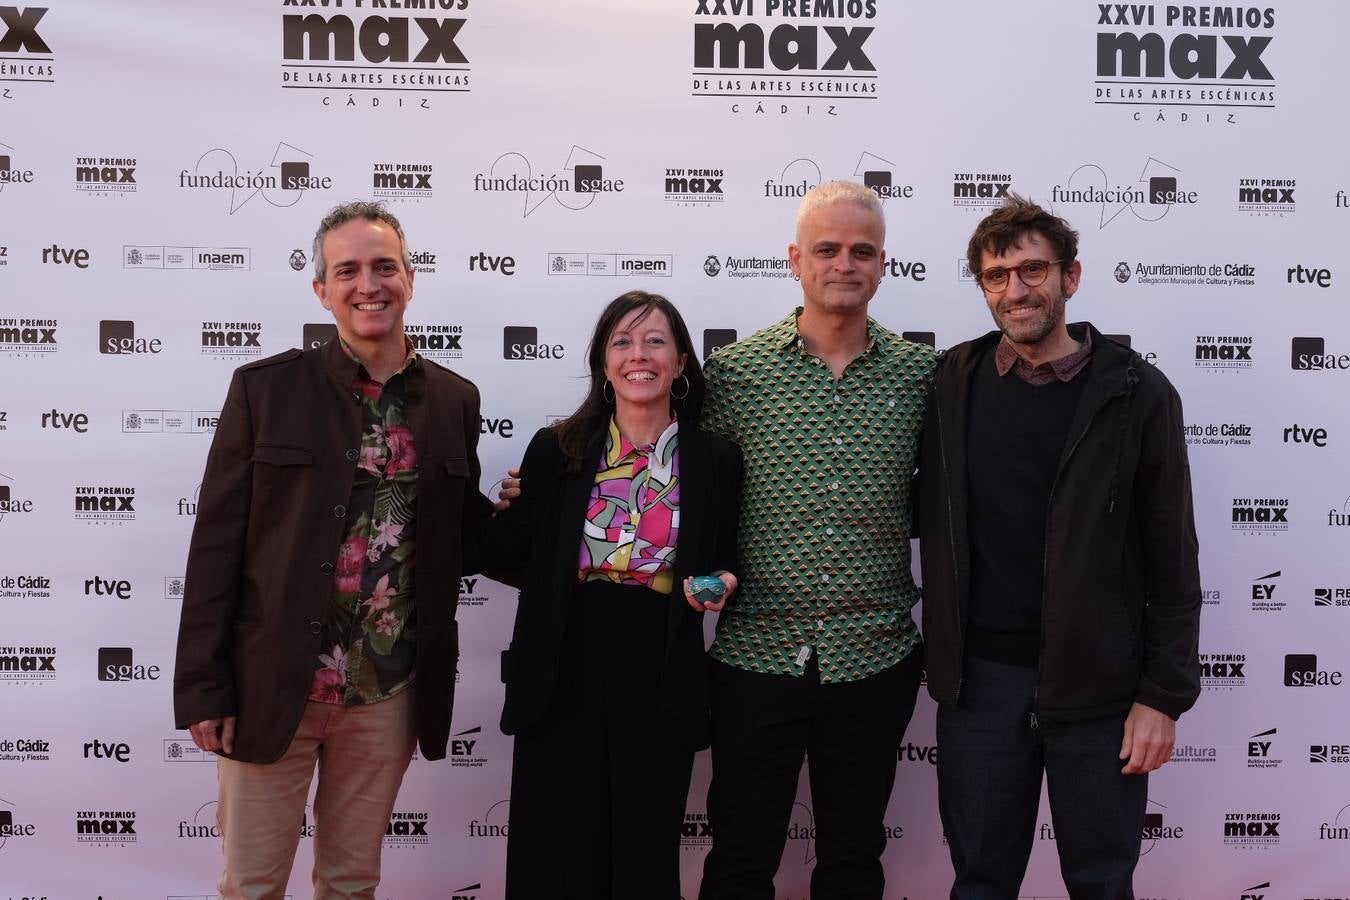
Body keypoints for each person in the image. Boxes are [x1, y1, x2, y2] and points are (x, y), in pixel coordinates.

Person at [173, 200, 493, 899]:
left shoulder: (453, 400)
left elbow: (463, 535)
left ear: (410, 277)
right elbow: (217, 544)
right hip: (271, 685)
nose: (367, 284)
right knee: (251, 885)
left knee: (351, 883)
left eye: (384, 266)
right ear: (322, 289)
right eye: (347, 270)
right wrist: (205, 684)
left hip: (388, 691)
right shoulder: (265, 390)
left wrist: (551, 507)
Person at [918, 195, 1201, 899]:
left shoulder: (1137, 394)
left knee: (1102, 883)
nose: (1015, 290)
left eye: (1032, 270)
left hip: (1101, 690)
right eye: (996, 275)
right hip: (979, 687)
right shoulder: (950, 384)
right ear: (983, 288)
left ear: (1070, 277)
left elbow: (1173, 557)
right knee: (980, 882)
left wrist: (1161, 696)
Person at [697, 181, 936, 899]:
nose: (844, 264)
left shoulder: (924, 376)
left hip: (874, 655)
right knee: (740, 856)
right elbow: (681, 486)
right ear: (796, 259)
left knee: (854, 857)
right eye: (827, 249)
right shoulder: (735, 374)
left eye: (862, 251)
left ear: (883, 265)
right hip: (755, 654)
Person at [466, 290, 742, 900]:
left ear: (681, 361)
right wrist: (438, 487)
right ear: (602, 360)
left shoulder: (716, 458)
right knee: (554, 852)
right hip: (562, 665)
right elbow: (504, 544)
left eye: (654, 341)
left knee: (644, 853)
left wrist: (722, 579)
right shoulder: (557, 450)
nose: (637, 355)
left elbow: (729, 555)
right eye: (622, 341)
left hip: (661, 667)